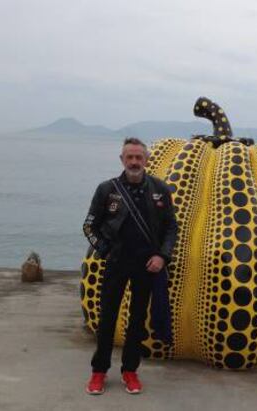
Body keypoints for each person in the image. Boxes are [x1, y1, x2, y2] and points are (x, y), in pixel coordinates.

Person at [83, 137, 178, 395]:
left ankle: (130, 371)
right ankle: (99, 372)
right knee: (107, 320)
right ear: (122, 160)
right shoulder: (107, 190)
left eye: (139, 157)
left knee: (137, 321)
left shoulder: (160, 189)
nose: (134, 162)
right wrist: (104, 250)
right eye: (129, 157)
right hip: (116, 264)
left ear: (146, 160)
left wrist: (162, 256)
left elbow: (171, 228)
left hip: (147, 266)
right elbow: (89, 226)